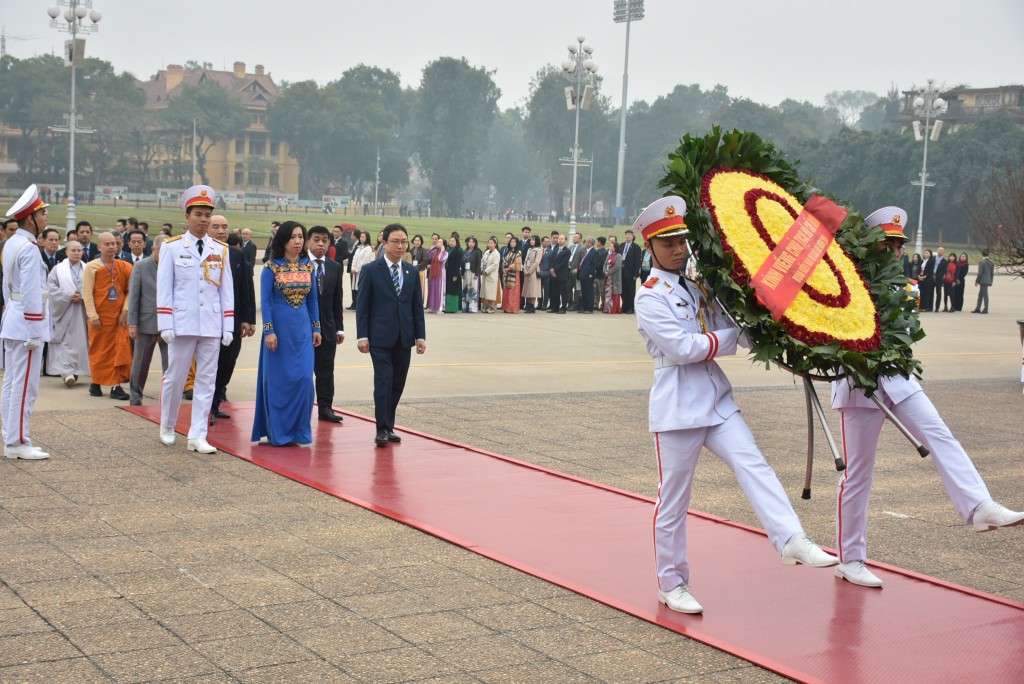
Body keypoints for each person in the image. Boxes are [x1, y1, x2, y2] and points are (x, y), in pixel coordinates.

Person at [634, 195, 837, 614]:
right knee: (673, 501)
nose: (677, 249)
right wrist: (732, 337)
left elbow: (737, 328)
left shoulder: (700, 285)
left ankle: (791, 539)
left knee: (754, 464)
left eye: (680, 241)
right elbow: (684, 348)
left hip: (716, 399)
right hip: (678, 409)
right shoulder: (649, 296)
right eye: (667, 243)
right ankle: (672, 583)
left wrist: (769, 321)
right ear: (649, 247)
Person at [831, 206, 1024, 589]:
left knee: (940, 434)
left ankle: (980, 506)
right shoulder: (845, 284)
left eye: (899, 245)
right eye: (888, 244)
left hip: (898, 380)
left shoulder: (903, 287)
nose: (896, 252)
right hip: (859, 386)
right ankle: (850, 559)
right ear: (870, 244)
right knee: (858, 476)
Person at [157, 185, 235, 454]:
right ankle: (167, 425)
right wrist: (165, 323)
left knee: (207, 380)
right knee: (175, 377)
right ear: (188, 216)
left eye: (207, 215)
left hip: (211, 324)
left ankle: (197, 434)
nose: (203, 220)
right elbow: (164, 288)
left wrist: (228, 325)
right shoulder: (173, 247)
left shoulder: (220, 249)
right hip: (182, 322)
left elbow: (226, 289)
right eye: (198, 214)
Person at [355, 223, 426, 447]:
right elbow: (362, 306)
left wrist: (420, 336)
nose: (400, 246)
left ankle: (390, 424)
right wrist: (362, 336)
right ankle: (382, 428)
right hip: (380, 337)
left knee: (398, 383)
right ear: (384, 243)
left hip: (404, 338)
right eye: (395, 241)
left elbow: (416, 307)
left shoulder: (412, 272)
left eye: (404, 241)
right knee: (384, 381)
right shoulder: (371, 270)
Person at [252, 221, 322, 445]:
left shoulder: (308, 267)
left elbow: (312, 300)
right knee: (280, 382)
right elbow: (265, 302)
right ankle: (279, 432)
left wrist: (316, 327)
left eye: (301, 236)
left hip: (302, 331)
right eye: (293, 237)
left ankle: (300, 431)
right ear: (283, 240)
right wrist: (269, 331)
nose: (298, 241)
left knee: (304, 380)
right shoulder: (271, 267)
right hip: (278, 332)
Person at [1, 185, 53, 459]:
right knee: (24, 386)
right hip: (26, 325)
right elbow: (32, 293)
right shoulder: (30, 248)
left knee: (12, 383)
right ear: (31, 218)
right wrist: (36, 329)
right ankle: (18, 442)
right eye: (42, 213)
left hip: (13, 319)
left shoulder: (12, 242)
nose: (46, 218)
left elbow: (7, 287)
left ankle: (12, 437)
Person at [209, 215, 257, 423]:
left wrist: (248, 319)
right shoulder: (201, 253)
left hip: (233, 321)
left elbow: (246, 289)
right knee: (209, 365)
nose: (221, 231)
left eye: (225, 227)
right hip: (208, 321)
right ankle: (206, 407)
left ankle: (217, 400)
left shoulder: (237, 255)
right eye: (216, 227)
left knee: (228, 363)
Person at [82, 232, 132, 400]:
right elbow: (87, 293)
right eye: (107, 244)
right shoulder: (92, 267)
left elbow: (130, 291)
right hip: (99, 318)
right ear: (99, 247)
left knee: (117, 351)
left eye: (114, 244)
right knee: (99, 351)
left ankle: (114, 386)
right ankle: (95, 383)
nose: (112, 247)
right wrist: (92, 315)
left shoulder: (124, 266)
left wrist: (126, 310)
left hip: (118, 318)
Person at [307, 225, 346, 423]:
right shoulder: (299, 264)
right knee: (303, 373)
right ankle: (301, 409)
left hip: (328, 329)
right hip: (304, 329)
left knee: (325, 372)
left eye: (324, 240)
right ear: (308, 241)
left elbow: (337, 300)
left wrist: (339, 328)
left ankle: (325, 408)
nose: (320, 243)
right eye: (316, 239)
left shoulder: (334, 266)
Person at [127, 235, 168, 405]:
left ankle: (168, 398)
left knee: (170, 366)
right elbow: (134, 296)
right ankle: (135, 396)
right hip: (146, 323)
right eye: (162, 251)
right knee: (140, 364)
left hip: (169, 325)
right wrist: (132, 323)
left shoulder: (174, 266)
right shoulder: (141, 266)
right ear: (153, 249)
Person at [46, 240, 90, 387]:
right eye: (73, 250)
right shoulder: (58, 270)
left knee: (80, 342)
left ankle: (76, 370)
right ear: (66, 252)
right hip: (64, 311)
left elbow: (95, 288)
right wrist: (69, 296)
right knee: (65, 343)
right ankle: (67, 373)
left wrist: (84, 296)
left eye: (79, 251)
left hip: (82, 311)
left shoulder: (87, 268)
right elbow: (51, 288)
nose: (77, 253)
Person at [349, 230, 374, 310]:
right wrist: (352, 267)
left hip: (361, 271)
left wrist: (357, 269)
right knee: (354, 288)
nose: (361, 238)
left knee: (360, 288)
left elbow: (365, 261)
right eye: (361, 237)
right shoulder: (359, 247)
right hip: (354, 271)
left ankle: (360, 306)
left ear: (367, 238)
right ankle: (355, 304)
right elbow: (354, 259)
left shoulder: (368, 248)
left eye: (363, 237)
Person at [620, 230, 641, 315]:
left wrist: (636, 274)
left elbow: (637, 262)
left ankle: (630, 307)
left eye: (630, 235)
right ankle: (624, 306)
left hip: (631, 273)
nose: (628, 236)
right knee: (623, 290)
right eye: (627, 235)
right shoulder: (621, 245)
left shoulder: (636, 247)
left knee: (631, 291)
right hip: (621, 272)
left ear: (632, 237)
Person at [548, 234, 570, 314]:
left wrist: (554, 270)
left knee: (563, 292)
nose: (560, 240)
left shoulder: (567, 251)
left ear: (565, 241)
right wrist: (551, 269)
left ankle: (563, 308)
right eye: (559, 239)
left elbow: (563, 263)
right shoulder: (555, 249)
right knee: (555, 292)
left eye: (562, 239)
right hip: (553, 274)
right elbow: (551, 260)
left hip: (561, 274)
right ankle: (555, 307)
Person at [576, 237, 599, 314]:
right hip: (583, 274)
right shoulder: (586, 251)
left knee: (589, 292)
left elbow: (594, 265)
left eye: (586, 242)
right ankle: (584, 307)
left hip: (588, 275)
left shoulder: (594, 252)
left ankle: (589, 308)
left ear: (590, 243)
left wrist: (590, 274)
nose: (585, 244)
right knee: (584, 292)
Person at [425, 235, 447, 314]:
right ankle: (431, 307)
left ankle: (439, 307)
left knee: (439, 289)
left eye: (440, 242)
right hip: (433, 272)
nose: (438, 243)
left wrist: (442, 250)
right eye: (438, 242)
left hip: (440, 273)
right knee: (432, 289)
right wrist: (432, 248)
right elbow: (428, 256)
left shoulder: (445, 253)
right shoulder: (434, 252)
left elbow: (440, 259)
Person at [501, 236, 523, 314]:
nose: (512, 243)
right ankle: (506, 307)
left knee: (513, 291)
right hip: (507, 273)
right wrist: (504, 267)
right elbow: (504, 260)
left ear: (517, 243)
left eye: (514, 242)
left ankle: (513, 307)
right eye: (511, 242)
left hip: (514, 273)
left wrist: (508, 268)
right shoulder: (509, 251)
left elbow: (517, 263)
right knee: (506, 290)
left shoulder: (518, 252)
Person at [522, 235, 542, 313]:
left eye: (533, 240)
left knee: (533, 290)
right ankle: (528, 305)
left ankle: (532, 306)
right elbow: (526, 260)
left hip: (533, 271)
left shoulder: (539, 250)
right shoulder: (529, 249)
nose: (531, 241)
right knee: (527, 289)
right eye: (531, 240)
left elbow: (537, 262)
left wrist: (529, 271)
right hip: (527, 270)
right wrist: (524, 269)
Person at [480, 237, 501, 313]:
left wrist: (486, 271)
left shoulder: (497, 254)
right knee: (486, 292)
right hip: (485, 274)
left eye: (492, 243)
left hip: (491, 275)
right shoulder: (486, 252)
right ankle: (486, 306)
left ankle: (491, 307)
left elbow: (494, 265)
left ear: (495, 244)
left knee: (491, 292)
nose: (490, 245)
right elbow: (482, 260)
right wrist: (482, 269)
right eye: (489, 243)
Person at [462, 236, 482, 313]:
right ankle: (465, 306)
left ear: (475, 243)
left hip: (473, 272)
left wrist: (477, 273)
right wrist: (462, 272)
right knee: (465, 288)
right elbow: (462, 262)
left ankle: (472, 307)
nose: (471, 243)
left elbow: (478, 264)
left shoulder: (477, 252)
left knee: (472, 289)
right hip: (466, 271)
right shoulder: (465, 251)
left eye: (473, 242)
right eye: (470, 242)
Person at [603, 234, 623, 314]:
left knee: (615, 293)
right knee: (607, 293)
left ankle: (613, 309)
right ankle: (607, 308)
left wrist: (609, 272)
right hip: (608, 278)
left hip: (614, 278)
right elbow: (604, 264)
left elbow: (617, 266)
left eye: (611, 247)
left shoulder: (618, 256)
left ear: (615, 248)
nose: (610, 248)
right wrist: (605, 271)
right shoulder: (609, 255)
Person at [444, 234, 464, 313]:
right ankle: (448, 306)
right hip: (448, 273)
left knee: (453, 291)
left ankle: (453, 307)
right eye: (450, 241)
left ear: (457, 242)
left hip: (454, 274)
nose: (451, 242)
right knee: (448, 290)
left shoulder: (458, 251)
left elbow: (458, 264)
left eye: (453, 241)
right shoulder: (448, 250)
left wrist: (456, 275)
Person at [408, 235, 429, 306]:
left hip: (420, 271)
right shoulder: (410, 250)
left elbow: (425, 261)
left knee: (420, 288)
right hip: (411, 271)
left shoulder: (424, 250)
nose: (416, 242)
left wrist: (416, 267)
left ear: (421, 242)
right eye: (415, 240)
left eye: (418, 241)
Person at [972, 248, 994, 314]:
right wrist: (991, 281)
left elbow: (980, 273)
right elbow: (991, 273)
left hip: (983, 281)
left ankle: (985, 309)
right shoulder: (991, 262)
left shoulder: (982, 262)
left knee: (985, 295)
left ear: (982, 254)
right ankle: (978, 308)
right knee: (980, 295)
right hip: (988, 280)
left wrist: (976, 281)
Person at [931, 246, 948, 312]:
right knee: (930, 293)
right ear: (937, 251)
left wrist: (937, 276)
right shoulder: (933, 259)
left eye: (941, 250)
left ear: (943, 252)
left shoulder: (945, 261)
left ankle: (937, 307)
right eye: (939, 250)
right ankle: (930, 307)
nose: (940, 251)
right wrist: (932, 275)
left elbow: (943, 271)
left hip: (939, 279)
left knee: (938, 293)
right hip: (931, 277)